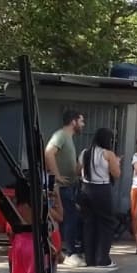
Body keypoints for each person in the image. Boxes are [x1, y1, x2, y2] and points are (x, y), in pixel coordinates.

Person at [45, 110, 85, 265]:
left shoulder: (68, 138)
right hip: (62, 187)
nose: (83, 124)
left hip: (69, 185)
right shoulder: (61, 136)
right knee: (69, 218)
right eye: (81, 121)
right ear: (73, 122)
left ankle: (66, 251)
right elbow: (49, 152)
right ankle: (70, 253)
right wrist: (57, 176)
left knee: (71, 217)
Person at [78, 127, 121, 268]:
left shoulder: (85, 152)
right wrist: (117, 162)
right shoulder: (108, 154)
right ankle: (102, 259)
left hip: (85, 189)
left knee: (89, 224)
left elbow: (76, 170)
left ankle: (89, 259)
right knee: (106, 224)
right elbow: (116, 174)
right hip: (102, 189)